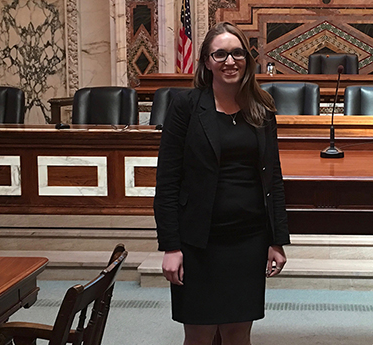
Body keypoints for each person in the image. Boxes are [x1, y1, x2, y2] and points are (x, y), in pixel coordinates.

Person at [153, 22, 289, 345]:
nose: (230, 61)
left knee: (238, 333)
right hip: (199, 241)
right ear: (206, 61)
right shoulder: (185, 107)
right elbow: (167, 181)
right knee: (199, 334)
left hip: (248, 239)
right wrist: (170, 246)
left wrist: (277, 239)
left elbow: (274, 178)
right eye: (221, 54)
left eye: (237, 53)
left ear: (247, 58)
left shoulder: (262, 108)